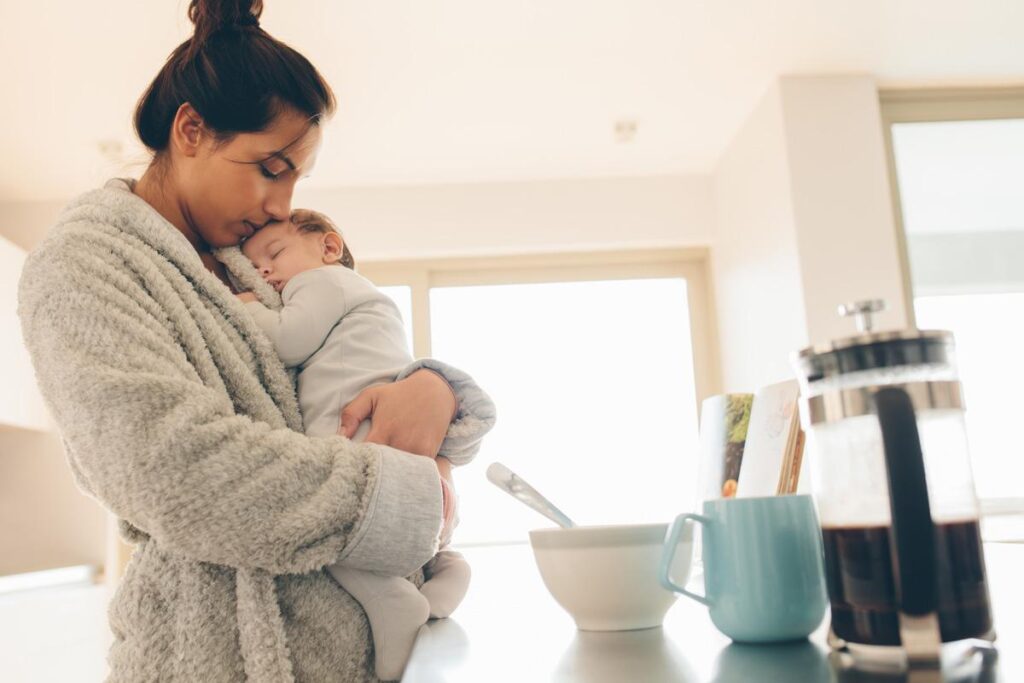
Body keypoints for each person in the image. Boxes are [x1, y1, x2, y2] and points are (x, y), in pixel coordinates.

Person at [16, 1, 495, 681]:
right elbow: (172, 466)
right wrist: (399, 493)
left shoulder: (246, 269)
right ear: (191, 130)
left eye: (296, 177)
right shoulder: (83, 262)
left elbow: (338, 366)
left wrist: (432, 387)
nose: (281, 203)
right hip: (215, 657)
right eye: (271, 168)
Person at [232, 209, 473, 680]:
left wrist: (244, 306)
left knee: (335, 536)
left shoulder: (325, 282)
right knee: (412, 531)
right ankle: (450, 569)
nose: (262, 271)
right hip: (395, 452)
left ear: (328, 247)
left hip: (358, 436)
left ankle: (392, 602)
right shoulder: (358, 302)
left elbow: (287, 341)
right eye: (252, 264)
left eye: (274, 254)